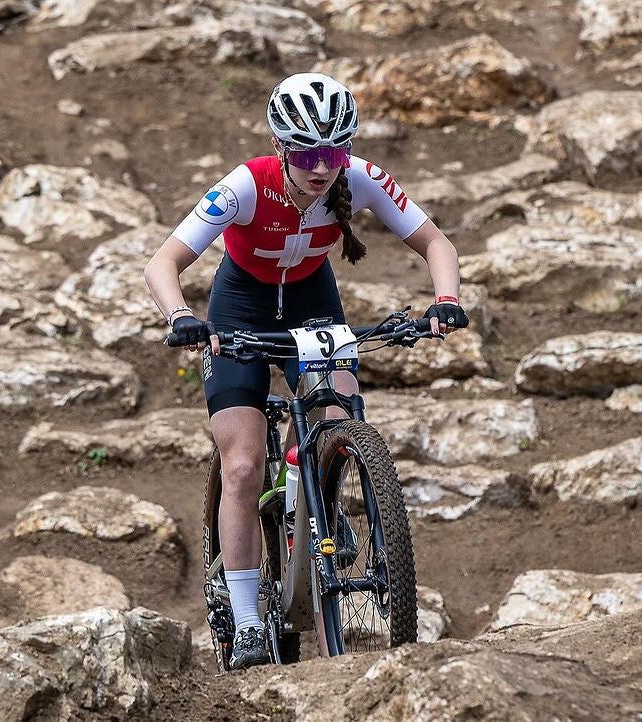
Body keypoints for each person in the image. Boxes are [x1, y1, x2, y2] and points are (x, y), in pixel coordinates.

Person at [144, 72, 468, 670]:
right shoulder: (246, 185)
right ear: (283, 147)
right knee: (240, 463)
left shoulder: (361, 178)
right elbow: (166, 259)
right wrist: (180, 315)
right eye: (310, 153)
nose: (324, 167)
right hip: (240, 303)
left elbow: (435, 243)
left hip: (313, 301)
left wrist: (445, 300)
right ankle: (245, 619)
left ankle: (325, 487)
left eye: (335, 152)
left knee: (340, 413)